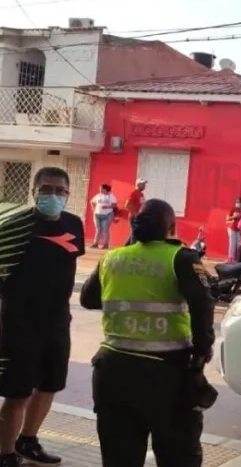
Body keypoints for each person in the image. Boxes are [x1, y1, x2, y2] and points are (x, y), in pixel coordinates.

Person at [79, 199, 216, 467]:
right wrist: (202, 351)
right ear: (171, 228)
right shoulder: (181, 257)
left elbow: (88, 299)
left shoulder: (112, 258)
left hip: (112, 372)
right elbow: (203, 303)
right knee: (178, 456)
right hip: (167, 374)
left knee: (119, 458)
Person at [0, 166, 84, 467]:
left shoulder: (75, 224)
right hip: (18, 323)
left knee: (49, 385)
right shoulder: (16, 225)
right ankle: (5, 453)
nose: (53, 195)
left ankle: (28, 440)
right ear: (33, 192)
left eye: (60, 190)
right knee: (17, 391)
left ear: (68, 194)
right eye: (46, 189)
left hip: (58, 321)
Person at [90, 183, 118, 249]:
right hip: (97, 214)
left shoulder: (111, 196)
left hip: (107, 215)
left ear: (105, 189)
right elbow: (92, 201)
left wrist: (107, 206)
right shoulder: (98, 195)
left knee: (105, 229)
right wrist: (93, 209)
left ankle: (105, 244)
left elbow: (114, 205)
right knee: (98, 229)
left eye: (101, 188)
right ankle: (95, 243)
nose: (100, 189)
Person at [124, 178, 147, 245]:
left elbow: (142, 205)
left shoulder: (141, 194)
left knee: (134, 233)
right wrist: (135, 214)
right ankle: (131, 248)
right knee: (135, 233)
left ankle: (125, 247)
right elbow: (127, 205)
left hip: (139, 216)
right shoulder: (134, 193)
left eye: (144, 184)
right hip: (134, 217)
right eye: (143, 184)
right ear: (138, 184)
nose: (144, 186)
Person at [225, 197, 241, 262]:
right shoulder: (233, 209)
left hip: (240, 229)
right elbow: (227, 218)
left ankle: (238, 258)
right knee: (232, 243)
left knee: (238, 244)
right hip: (232, 228)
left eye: (239, 202)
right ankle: (230, 258)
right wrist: (234, 217)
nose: (237, 203)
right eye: (236, 202)